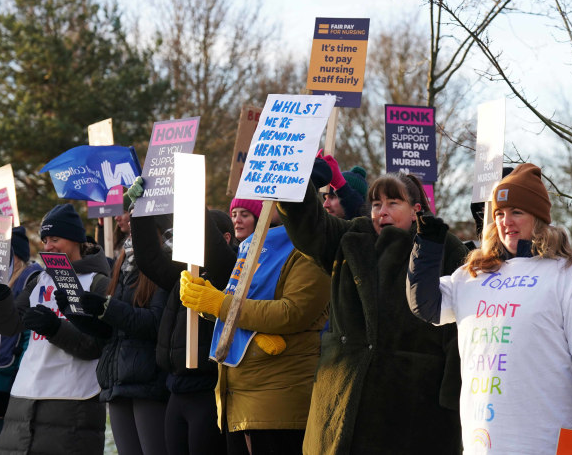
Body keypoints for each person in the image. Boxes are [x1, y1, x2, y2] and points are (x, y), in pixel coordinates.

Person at [406, 164, 572, 455]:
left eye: (517, 212)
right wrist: (427, 247)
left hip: (549, 440)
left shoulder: (568, 273)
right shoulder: (472, 275)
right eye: (499, 213)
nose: (506, 222)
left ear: (538, 217)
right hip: (483, 443)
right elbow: (425, 305)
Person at [277, 171, 465, 454]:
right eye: (376, 204)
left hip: (412, 403)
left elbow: (459, 330)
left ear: (415, 211)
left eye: (393, 203)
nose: (382, 211)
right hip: (341, 397)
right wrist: (302, 181)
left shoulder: (444, 248)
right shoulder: (350, 237)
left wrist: (454, 399)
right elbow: (309, 226)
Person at [180, 204, 330, 454]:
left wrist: (219, 303)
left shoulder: (312, 248)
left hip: (277, 402)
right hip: (240, 400)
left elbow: (292, 313)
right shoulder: (254, 244)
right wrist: (206, 299)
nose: (264, 199)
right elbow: (243, 305)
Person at [126, 177, 237, 455]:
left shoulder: (229, 273)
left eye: (195, 230)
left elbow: (215, 251)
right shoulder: (182, 275)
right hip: (176, 389)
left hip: (207, 391)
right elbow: (149, 259)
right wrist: (140, 213)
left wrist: (193, 202)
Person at [0, 204, 109, 455]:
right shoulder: (38, 279)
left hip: (71, 399)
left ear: (76, 240)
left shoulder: (99, 282)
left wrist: (55, 328)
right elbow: (10, 326)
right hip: (24, 398)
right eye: (45, 240)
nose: (48, 247)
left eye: (55, 239)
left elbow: (94, 345)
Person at [55, 209, 170, 455]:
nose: (119, 217)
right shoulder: (123, 260)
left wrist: (108, 307)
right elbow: (107, 332)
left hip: (147, 380)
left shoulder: (166, 263)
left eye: (129, 212)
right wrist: (74, 311)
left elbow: (153, 323)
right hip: (117, 379)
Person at [0, 227, 42, 453]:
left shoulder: (29, 277)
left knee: (7, 440)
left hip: (9, 376)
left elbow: (27, 334)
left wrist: (21, 372)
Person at [317, 154, 368, 220]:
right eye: (325, 198)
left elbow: (358, 209)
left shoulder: (368, 228)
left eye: (332, 197)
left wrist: (340, 185)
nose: (325, 205)